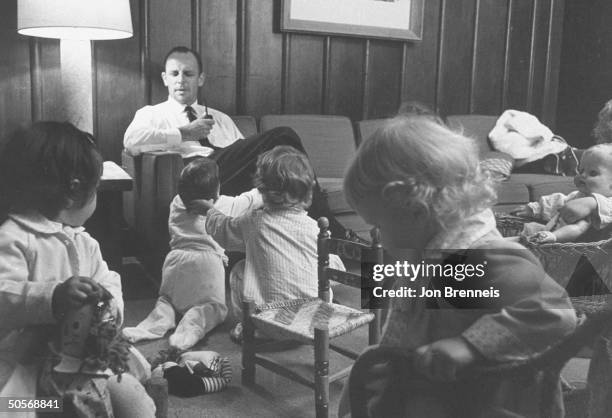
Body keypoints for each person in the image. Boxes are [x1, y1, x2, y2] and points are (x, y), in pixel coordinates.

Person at [338, 115, 577, 417]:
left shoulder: (481, 257)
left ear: (410, 205)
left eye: (378, 226)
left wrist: (470, 345)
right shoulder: (439, 256)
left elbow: (556, 313)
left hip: (482, 401)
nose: (379, 239)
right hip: (436, 390)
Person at [0, 122, 155, 418]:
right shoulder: (14, 238)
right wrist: (51, 297)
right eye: (95, 188)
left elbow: (108, 281)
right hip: (26, 370)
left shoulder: (84, 242)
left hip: (86, 362)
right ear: (73, 190)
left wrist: (108, 306)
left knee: (136, 403)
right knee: (25, 408)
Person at [124, 45, 348, 238]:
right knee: (283, 135)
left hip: (229, 177)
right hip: (196, 174)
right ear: (165, 78)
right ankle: (332, 231)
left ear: (200, 78)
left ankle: (309, 239)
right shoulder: (153, 113)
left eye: (188, 74)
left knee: (283, 158)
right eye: (174, 74)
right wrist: (184, 133)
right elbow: (132, 141)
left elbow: (251, 156)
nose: (181, 80)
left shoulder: (221, 118)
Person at [188, 146, 344, 341]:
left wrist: (209, 211)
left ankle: (248, 326)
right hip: (316, 322)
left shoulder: (254, 221)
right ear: (307, 192)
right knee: (328, 261)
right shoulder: (315, 228)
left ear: (262, 189)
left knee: (240, 270)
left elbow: (223, 229)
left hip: (271, 325)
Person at [122, 157, 263, 350]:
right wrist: (263, 188)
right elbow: (250, 200)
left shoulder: (177, 203)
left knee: (166, 301)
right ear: (215, 193)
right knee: (213, 308)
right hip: (206, 267)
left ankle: (155, 323)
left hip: (174, 263)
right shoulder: (223, 206)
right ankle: (190, 328)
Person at [513, 143, 612, 243]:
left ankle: (552, 237)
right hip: (550, 234)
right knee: (530, 229)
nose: (583, 175)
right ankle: (514, 243)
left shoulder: (609, 201)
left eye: (593, 173)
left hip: (579, 246)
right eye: (581, 170)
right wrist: (535, 208)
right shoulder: (577, 195)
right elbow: (559, 202)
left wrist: (592, 202)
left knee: (580, 225)